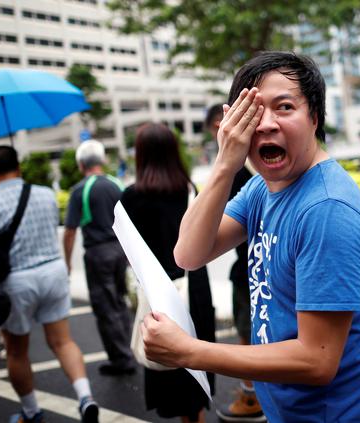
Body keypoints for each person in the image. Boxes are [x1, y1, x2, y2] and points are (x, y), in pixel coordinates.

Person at [141, 52, 360, 421]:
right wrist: (224, 164)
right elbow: (188, 254)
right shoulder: (263, 189)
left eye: (284, 107)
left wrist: (188, 351)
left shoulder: (327, 210)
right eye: (251, 111)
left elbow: (316, 360)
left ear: (314, 116)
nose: (265, 124)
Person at [0, 146, 98, 423]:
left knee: (16, 351)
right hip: (52, 272)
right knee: (63, 342)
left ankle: (31, 411)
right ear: (19, 167)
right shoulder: (46, 194)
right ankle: (86, 397)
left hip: (17, 281)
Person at [120, 123, 215, 423]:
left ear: (141, 156)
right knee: (196, 356)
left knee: (167, 358)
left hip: (158, 289)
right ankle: (196, 412)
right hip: (194, 284)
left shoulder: (131, 198)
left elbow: (131, 253)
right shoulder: (190, 191)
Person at [204, 104, 263, 422]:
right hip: (248, 265)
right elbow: (192, 249)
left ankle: (252, 399)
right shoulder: (242, 172)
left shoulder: (236, 172)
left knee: (248, 333)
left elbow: (205, 239)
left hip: (250, 268)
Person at [63, 140, 136, 376]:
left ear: (81, 164)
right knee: (119, 301)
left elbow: (70, 230)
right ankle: (130, 349)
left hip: (97, 253)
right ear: (102, 161)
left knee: (105, 306)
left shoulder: (80, 190)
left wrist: (67, 263)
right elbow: (130, 221)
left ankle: (121, 360)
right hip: (120, 250)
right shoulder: (117, 184)